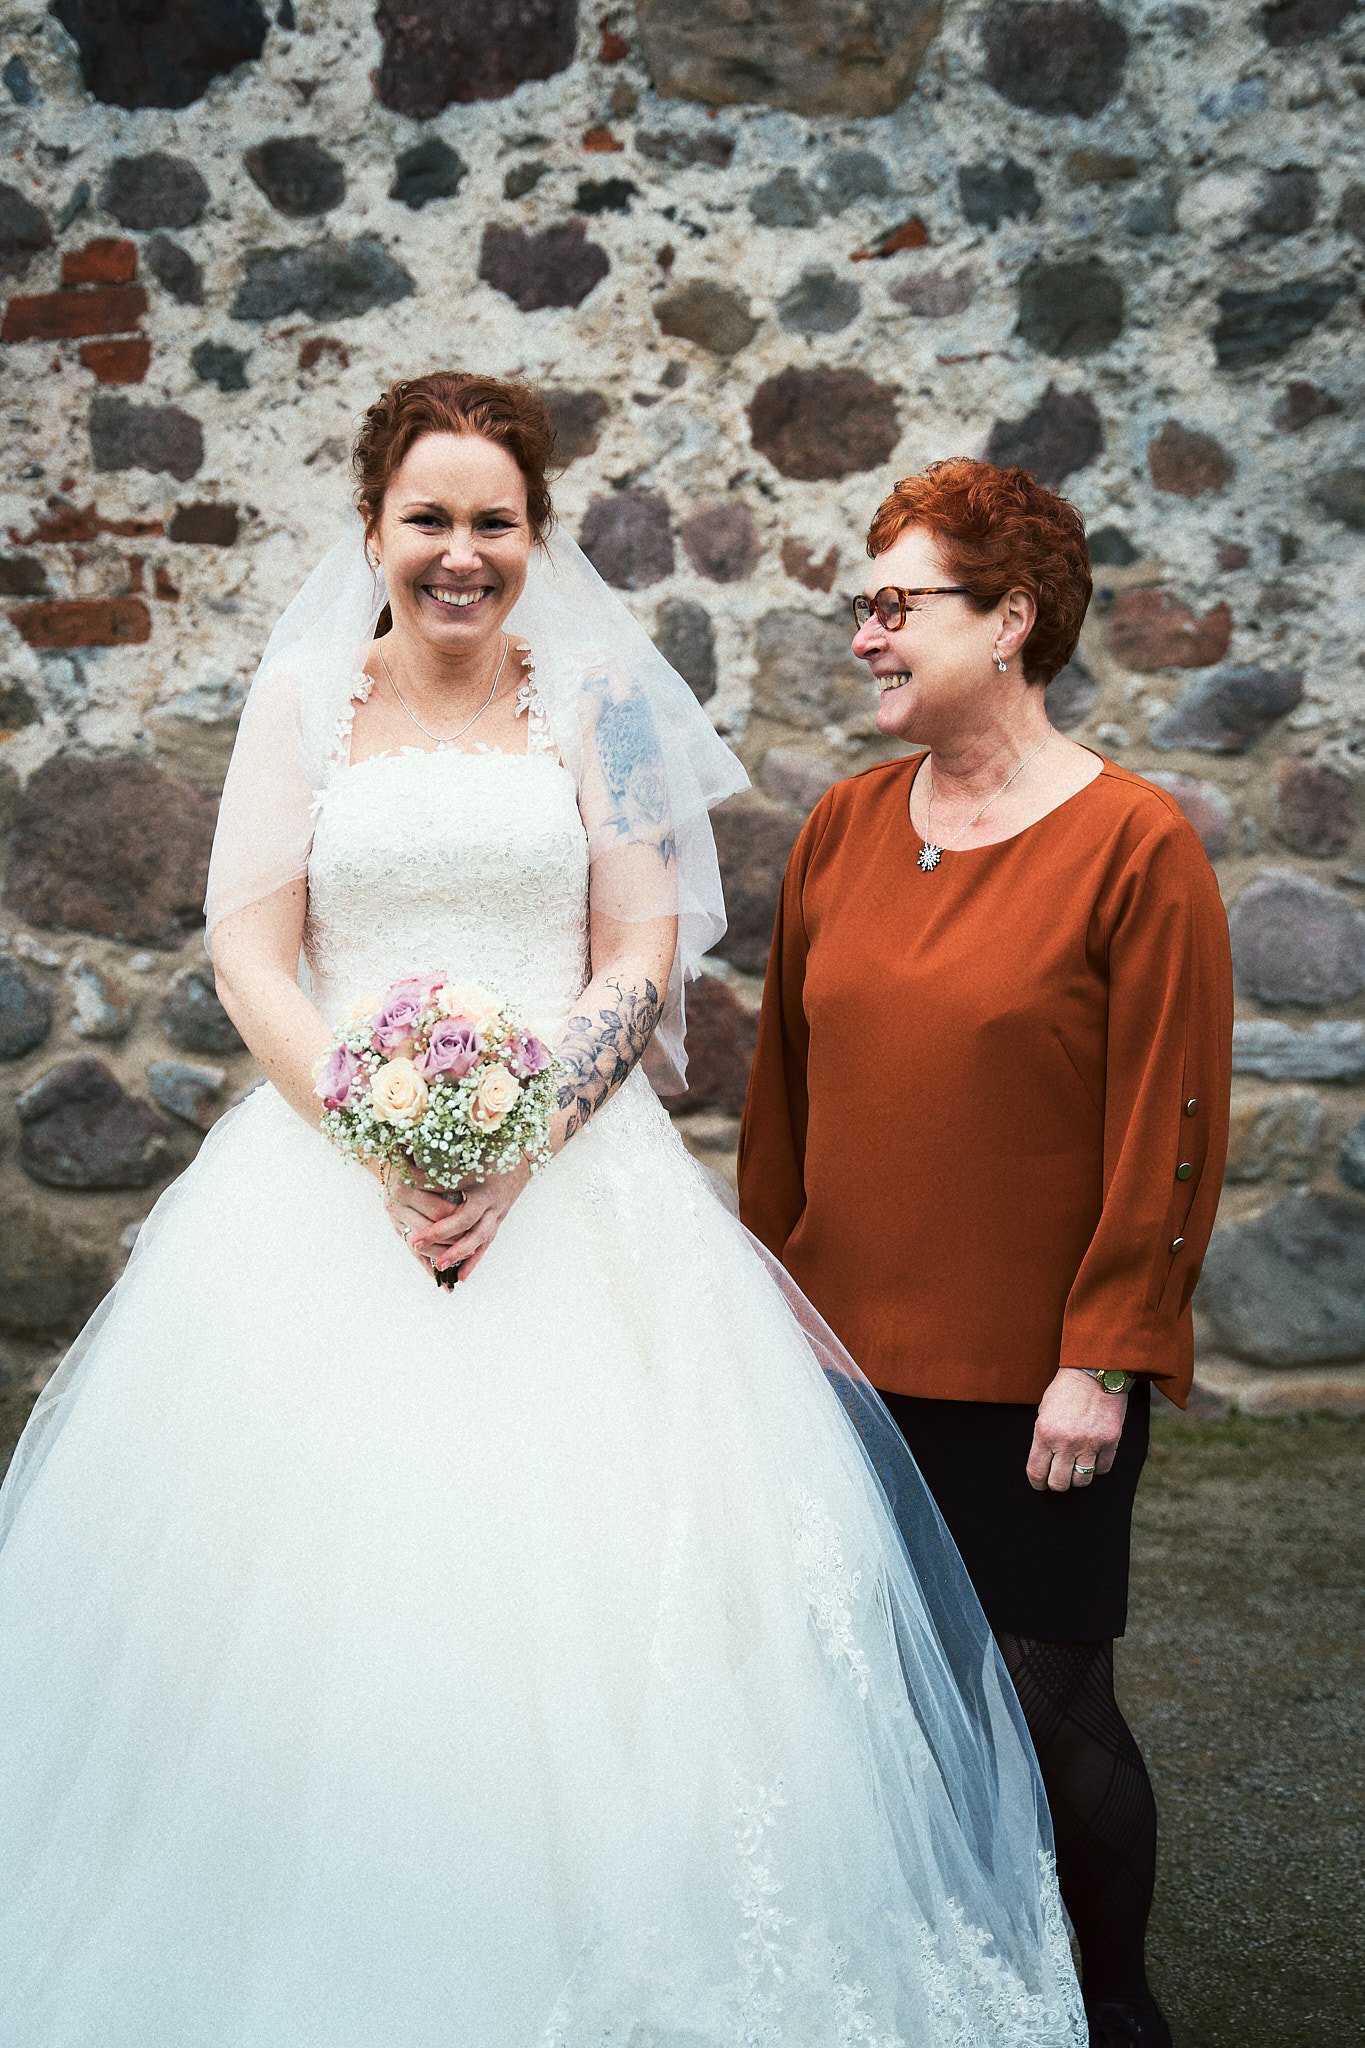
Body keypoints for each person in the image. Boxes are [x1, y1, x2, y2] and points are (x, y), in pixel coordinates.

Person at [0, 380, 1086, 2046]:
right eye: (426, 520)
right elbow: (249, 954)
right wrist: (378, 1132)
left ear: (535, 536)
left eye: (492, 521)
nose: (459, 553)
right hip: (325, 1177)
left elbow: (640, 949)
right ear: (370, 531)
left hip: (573, 1176)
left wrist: (517, 1140)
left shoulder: (601, 703)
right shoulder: (301, 698)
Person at [738, 458, 1233, 2048]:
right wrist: (766, 1303)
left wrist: (1102, 1357)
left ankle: (1108, 2000)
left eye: (898, 606)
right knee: (880, 1714)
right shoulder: (840, 828)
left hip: (1037, 1381)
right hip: (838, 1363)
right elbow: (782, 1099)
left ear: (1009, 618)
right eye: (862, 608)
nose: (866, 637)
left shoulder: (1134, 844)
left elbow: (1170, 1125)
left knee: (1046, 1703)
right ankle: (942, 1997)